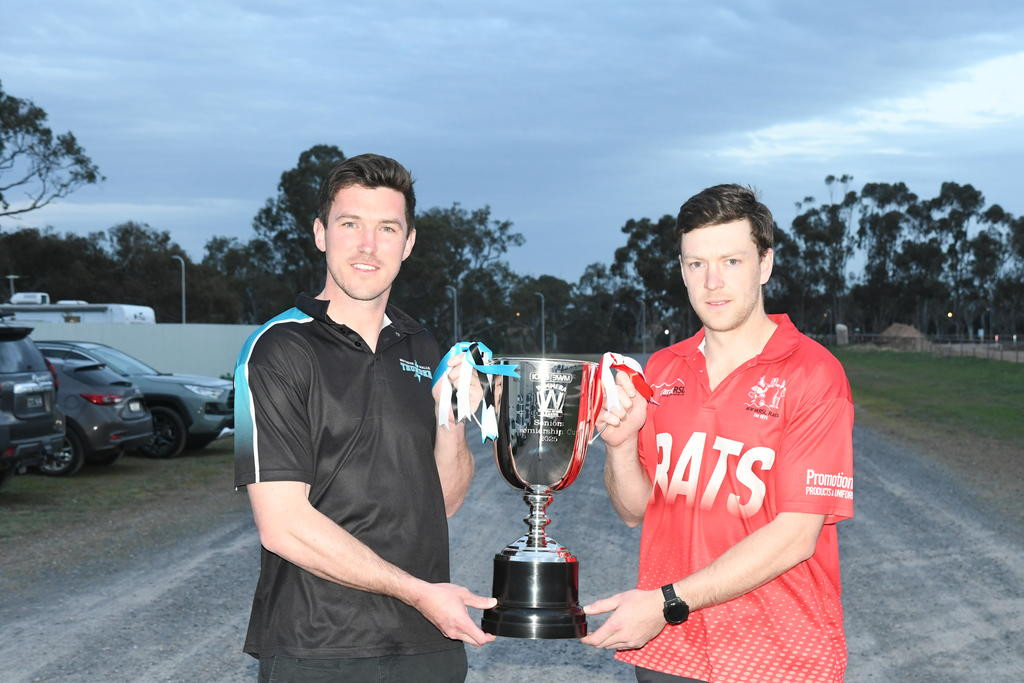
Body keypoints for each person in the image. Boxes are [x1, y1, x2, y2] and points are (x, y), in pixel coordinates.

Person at [233, 153, 495, 683]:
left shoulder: (421, 343)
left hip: (426, 643)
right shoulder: (277, 348)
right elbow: (282, 526)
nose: (368, 246)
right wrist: (420, 592)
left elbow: (440, 500)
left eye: (387, 228)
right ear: (321, 233)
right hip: (319, 648)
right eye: (350, 224)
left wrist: (453, 420)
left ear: (409, 242)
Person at [581, 184, 855, 683]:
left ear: (764, 264)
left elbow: (795, 537)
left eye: (731, 261)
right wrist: (620, 449)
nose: (712, 282)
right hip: (671, 651)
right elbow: (635, 511)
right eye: (695, 264)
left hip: (780, 655)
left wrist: (667, 601)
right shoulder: (662, 369)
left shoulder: (813, 373)